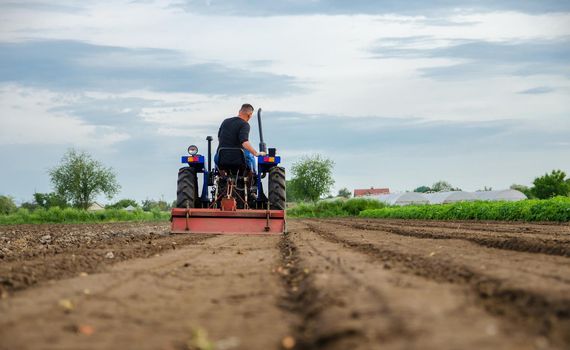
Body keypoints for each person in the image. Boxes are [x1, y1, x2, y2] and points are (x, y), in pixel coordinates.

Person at [216, 104, 266, 172]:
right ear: (250, 115)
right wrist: (256, 153)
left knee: (216, 160)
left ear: (239, 112)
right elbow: (244, 142)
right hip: (238, 158)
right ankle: (253, 178)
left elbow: (219, 138)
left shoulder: (225, 121)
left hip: (221, 156)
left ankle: (222, 177)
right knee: (251, 157)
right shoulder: (245, 124)